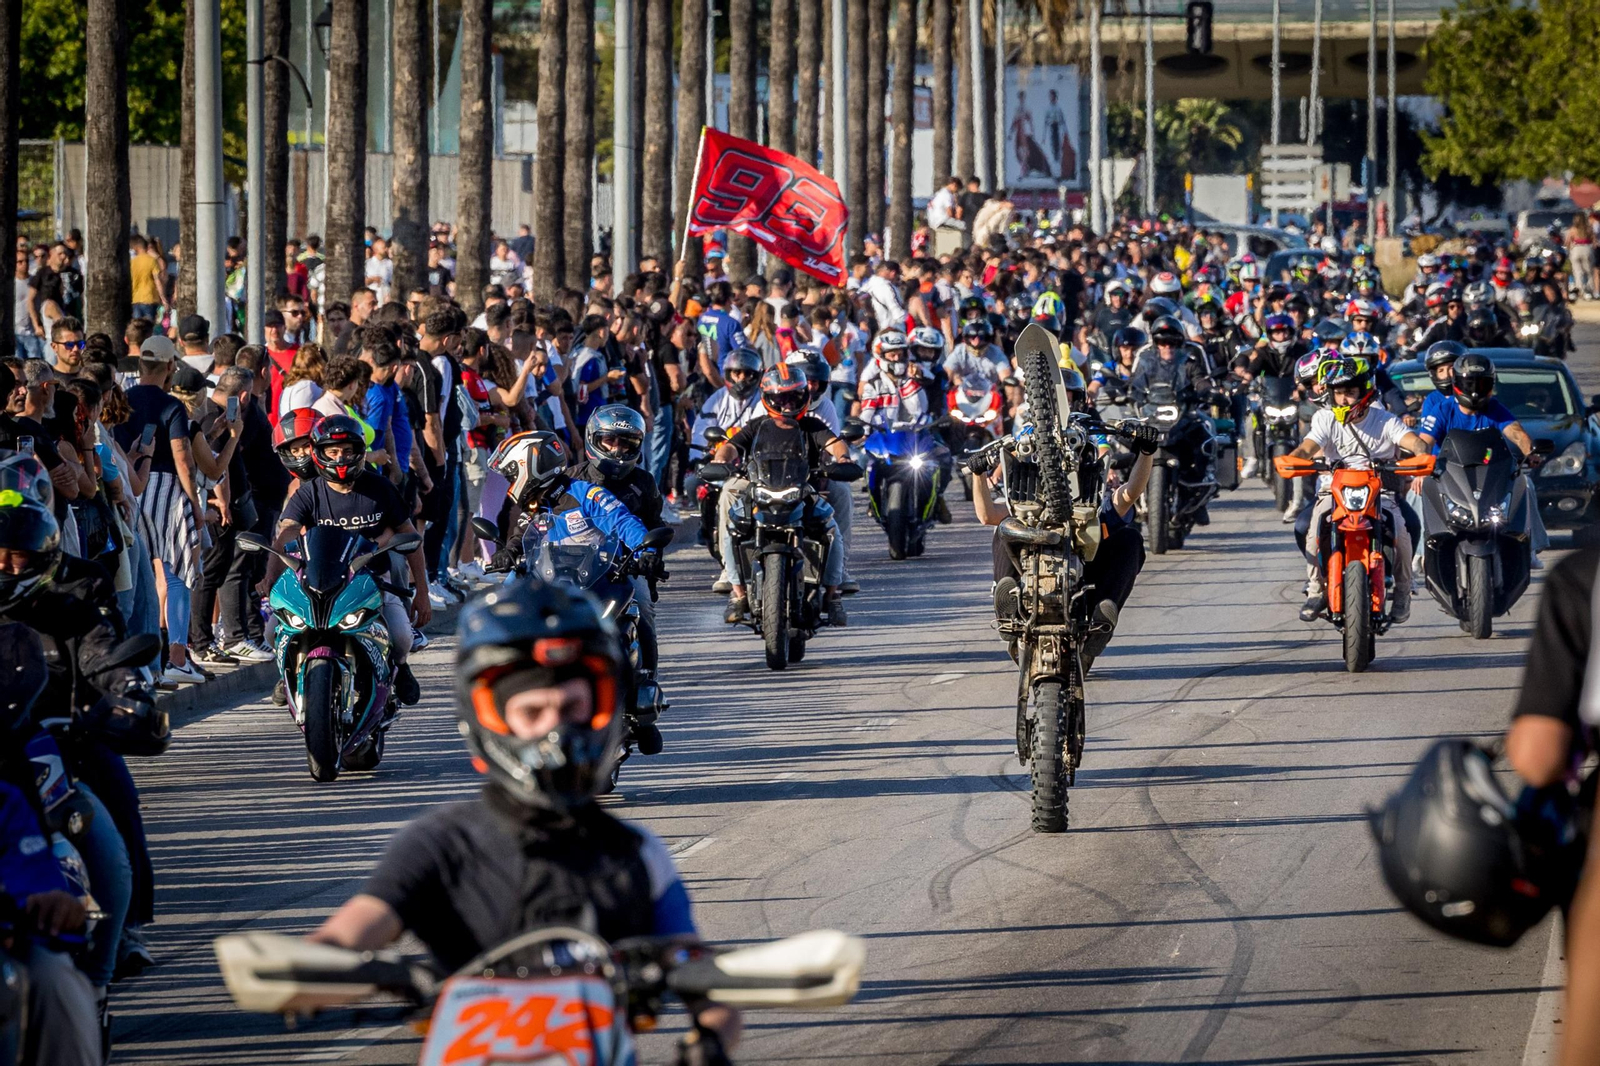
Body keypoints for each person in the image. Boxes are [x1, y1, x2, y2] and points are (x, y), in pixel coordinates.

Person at [308, 577, 740, 1062]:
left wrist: (711, 1039)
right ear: (489, 718)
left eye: (573, 707)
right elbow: (350, 932)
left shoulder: (635, 854)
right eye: (533, 711)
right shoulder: (442, 844)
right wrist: (315, 965)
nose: (556, 730)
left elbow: (701, 974)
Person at [968, 382, 1161, 665]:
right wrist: (977, 474)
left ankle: (1100, 623)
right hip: (1029, 573)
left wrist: (1147, 452)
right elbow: (986, 515)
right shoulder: (1027, 505)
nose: (1065, 470)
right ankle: (1007, 608)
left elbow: (1129, 493)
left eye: (1074, 462)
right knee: (1003, 529)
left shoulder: (1097, 500)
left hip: (1087, 580)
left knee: (1131, 539)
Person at [261, 415, 429, 706]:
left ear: (360, 452)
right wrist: (270, 578)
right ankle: (288, 671)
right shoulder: (309, 492)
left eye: (348, 451)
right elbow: (284, 534)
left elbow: (412, 540)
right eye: (333, 451)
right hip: (319, 580)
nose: (341, 457)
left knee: (402, 637)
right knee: (272, 631)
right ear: (320, 453)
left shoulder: (381, 488)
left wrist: (422, 594)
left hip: (371, 582)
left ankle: (400, 667)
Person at [1286, 356, 1428, 623]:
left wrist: (1421, 454)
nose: (1344, 399)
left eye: (1350, 392)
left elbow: (1413, 442)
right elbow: (1308, 447)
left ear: (1365, 391)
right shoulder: (1324, 419)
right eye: (1338, 393)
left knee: (1403, 535)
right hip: (1332, 491)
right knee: (1312, 531)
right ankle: (1316, 590)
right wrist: (1294, 459)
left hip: (1380, 493)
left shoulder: (1385, 420)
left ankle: (1403, 592)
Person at [712, 364, 852, 627]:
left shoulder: (811, 425)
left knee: (830, 530)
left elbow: (834, 443)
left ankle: (834, 595)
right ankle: (737, 592)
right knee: (733, 525)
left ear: (804, 397)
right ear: (768, 398)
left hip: (803, 492)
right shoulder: (757, 426)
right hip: (760, 491)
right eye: (781, 398)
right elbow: (731, 446)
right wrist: (721, 460)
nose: (787, 405)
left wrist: (842, 458)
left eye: (793, 398)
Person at [111, 335, 207, 683]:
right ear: (169, 367)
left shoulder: (124, 400)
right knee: (176, 572)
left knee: (141, 579)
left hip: (130, 487)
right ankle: (176, 656)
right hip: (167, 488)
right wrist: (195, 503)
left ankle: (145, 661)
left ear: (140, 365)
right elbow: (183, 456)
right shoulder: (171, 405)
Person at [570, 405, 666, 671]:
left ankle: (648, 677)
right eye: (609, 440)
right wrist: (512, 549)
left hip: (623, 568)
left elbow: (654, 525)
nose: (616, 449)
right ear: (593, 439)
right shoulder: (568, 480)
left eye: (625, 442)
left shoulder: (644, 482)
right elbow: (536, 521)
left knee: (644, 607)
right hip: (571, 567)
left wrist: (650, 555)